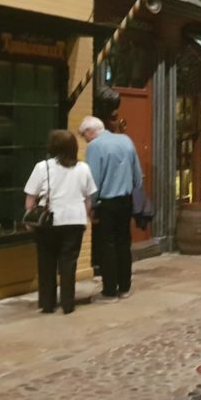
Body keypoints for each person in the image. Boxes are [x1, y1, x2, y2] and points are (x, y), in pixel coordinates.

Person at [23, 130, 97, 314]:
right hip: (74, 220)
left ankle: (47, 303)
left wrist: (29, 217)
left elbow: (31, 197)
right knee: (68, 263)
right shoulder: (83, 168)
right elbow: (88, 199)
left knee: (46, 262)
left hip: (49, 221)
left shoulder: (43, 167)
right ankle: (67, 304)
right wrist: (89, 216)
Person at [79, 116, 143, 303]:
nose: (85, 140)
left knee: (107, 245)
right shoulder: (126, 140)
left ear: (91, 131)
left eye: (84, 136)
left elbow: (93, 180)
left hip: (106, 203)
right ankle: (125, 287)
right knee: (124, 243)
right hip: (126, 200)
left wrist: (90, 206)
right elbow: (138, 176)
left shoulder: (95, 147)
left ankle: (109, 290)